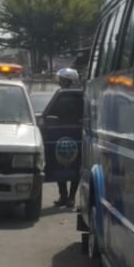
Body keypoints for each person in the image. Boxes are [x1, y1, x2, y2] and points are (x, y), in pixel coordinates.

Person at [53, 67, 79, 208]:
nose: (60, 82)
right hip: (59, 133)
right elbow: (52, 112)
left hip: (75, 134)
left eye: (63, 80)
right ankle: (63, 196)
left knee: (76, 167)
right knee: (58, 165)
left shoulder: (79, 96)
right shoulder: (59, 95)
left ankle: (71, 197)